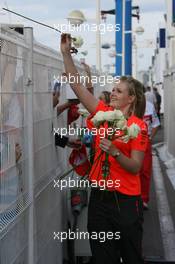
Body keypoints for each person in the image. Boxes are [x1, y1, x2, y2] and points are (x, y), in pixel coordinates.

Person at [60, 33, 148, 264]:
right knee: (102, 259)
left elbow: (136, 166)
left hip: (127, 203)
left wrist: (115, 152)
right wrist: (65, 54)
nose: (113, 94)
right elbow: (77, 87)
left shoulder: (138, 126)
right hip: (100, 199)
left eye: (118, 91)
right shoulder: (103, 114)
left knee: (131, 258)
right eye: (113, 90)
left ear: (131, 99)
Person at [140, 98, 160, 209]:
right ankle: (132, 198)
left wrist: (150, 137)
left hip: (144, 141)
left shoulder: (149, 106)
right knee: (132, 171)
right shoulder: (126, 103)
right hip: (129, 141)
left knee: (145, 171)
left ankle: (143, 199)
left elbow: (156, 124)